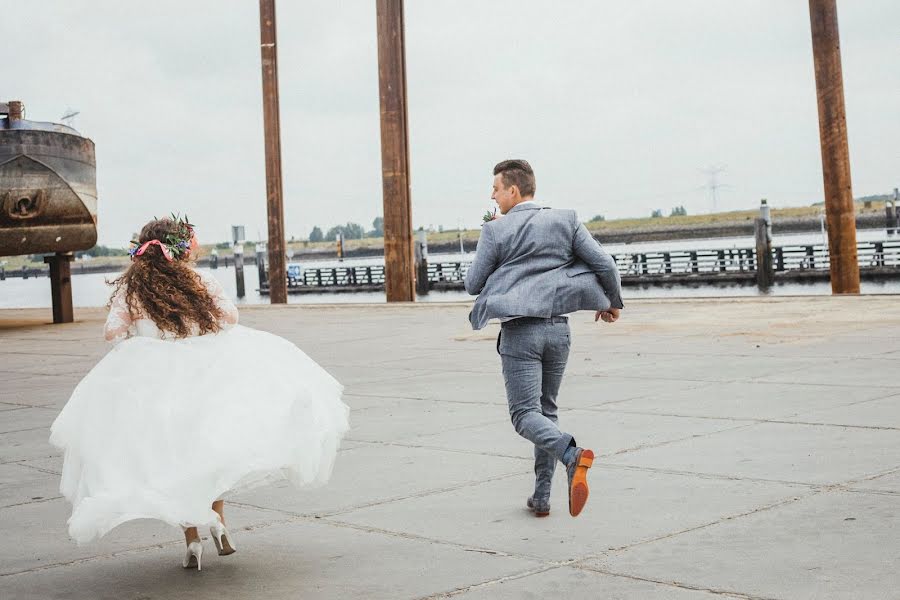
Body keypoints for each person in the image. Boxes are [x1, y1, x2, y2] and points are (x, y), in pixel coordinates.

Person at [50, 216, 349, 570]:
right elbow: (230, 318)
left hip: (156, 386)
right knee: (211, 455)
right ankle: (219, 523)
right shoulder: (200, 280)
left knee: (178, 460)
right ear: (182, 249)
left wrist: (143, 337)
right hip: (206, 378)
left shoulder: (134, 290)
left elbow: (112, 332)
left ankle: (192, 542)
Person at [464, 159, 624, 518]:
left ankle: (571, 455)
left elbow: (473, 284)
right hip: (559, 331)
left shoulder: (496, 231)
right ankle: (542, 497)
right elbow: (605, 264)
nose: (492, 194)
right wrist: (612, 303)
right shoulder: (565, 220)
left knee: (524, 415)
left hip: (521, 332)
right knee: (546, 412)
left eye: (496, 188)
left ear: (513, 191)